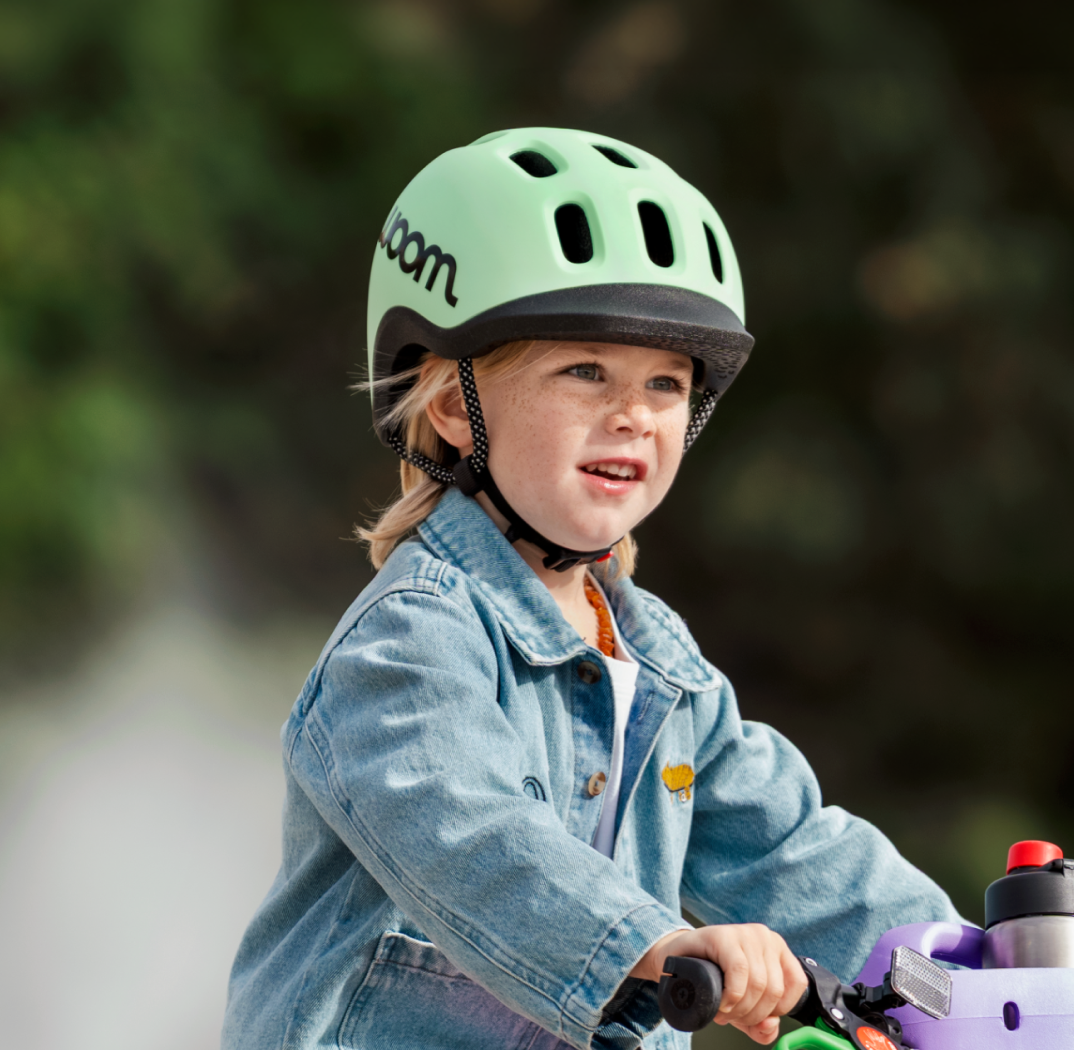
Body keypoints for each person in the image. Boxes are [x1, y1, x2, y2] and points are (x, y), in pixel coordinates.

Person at [223, 128, 961, 1050]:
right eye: (585, 372)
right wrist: (659, 943)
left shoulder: (661, 667)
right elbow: (475, 842)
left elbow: (792, 852)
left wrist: (972, 980)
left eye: (665, 382)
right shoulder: (409, 643)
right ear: (454, 405)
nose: (633, 414)